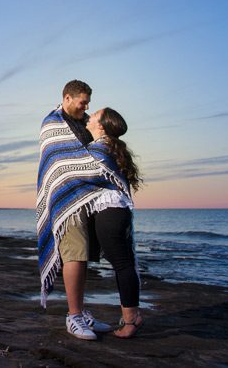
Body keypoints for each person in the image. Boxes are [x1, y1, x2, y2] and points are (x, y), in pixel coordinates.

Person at [36, 80, 113, 340]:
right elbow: (61, 162)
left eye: (88, 102)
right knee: (74, 255)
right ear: (67, 98)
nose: (86, 107)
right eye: (82, 102)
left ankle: (80, 311)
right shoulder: (53, 123)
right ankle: (73, 317)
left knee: (85, 256)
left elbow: (97, 151)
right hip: (65, 201)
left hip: (88, 197)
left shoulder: (84, 122)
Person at [86, 107, 144, 338]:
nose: (89, 118)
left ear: (101, 125)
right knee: (124, 263)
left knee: (122, 264)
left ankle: (131, 320)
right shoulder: (110, 148)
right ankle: (132, 316)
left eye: (94, 116)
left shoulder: (98, 149)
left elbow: (80, 176)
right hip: (118, 210)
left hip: (109, 210)